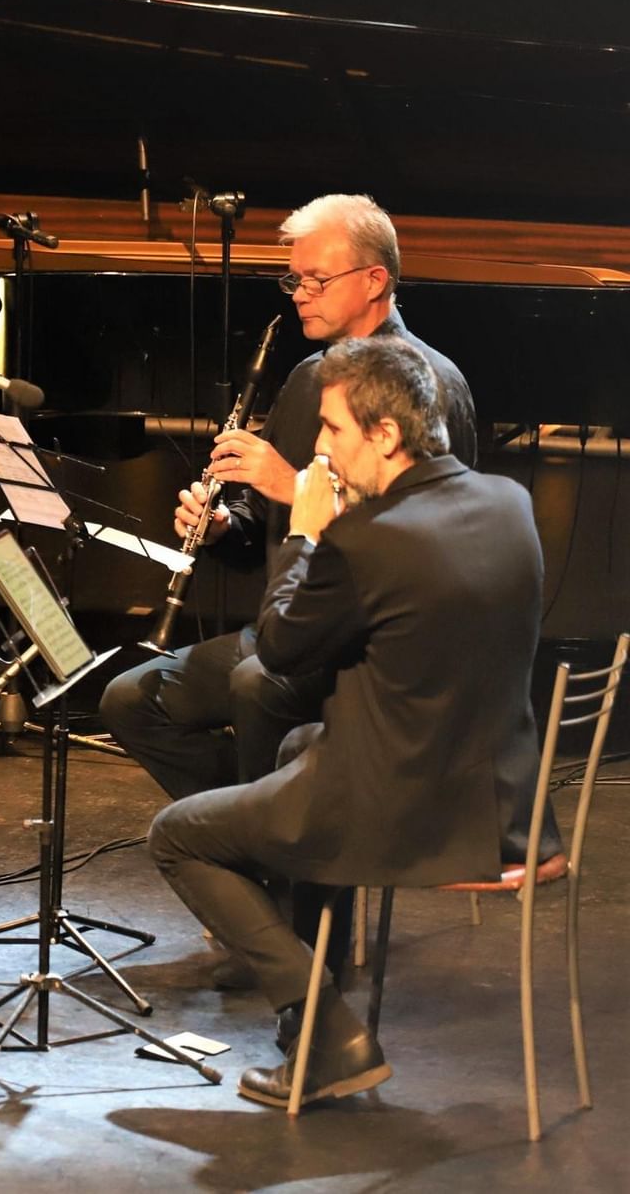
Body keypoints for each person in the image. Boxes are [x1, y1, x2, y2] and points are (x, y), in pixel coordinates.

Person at [149, 335, 554, 1108]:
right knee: (300, 748)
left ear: (385, 434)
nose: (321, 451)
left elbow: (278, 647)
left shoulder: (367, 539)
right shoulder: (509, 502)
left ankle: (327, 1030)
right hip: (504, 804)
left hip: (409, 809)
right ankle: (313, 998)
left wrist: (307, 531)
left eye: (333, 429)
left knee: (176, 834)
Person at [101, 194, 479, 807]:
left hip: (378, 648)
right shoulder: (308, 378)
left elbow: (421, 545)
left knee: (257, 687)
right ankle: (250, 819)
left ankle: (277, 836)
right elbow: (261, 528)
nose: (300, 294)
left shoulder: (428, 385)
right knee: (131, 700)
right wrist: (223, 526)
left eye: (316, 280)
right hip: (289, 632)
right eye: (294, 280)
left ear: (374, 280)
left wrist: (293, 485)